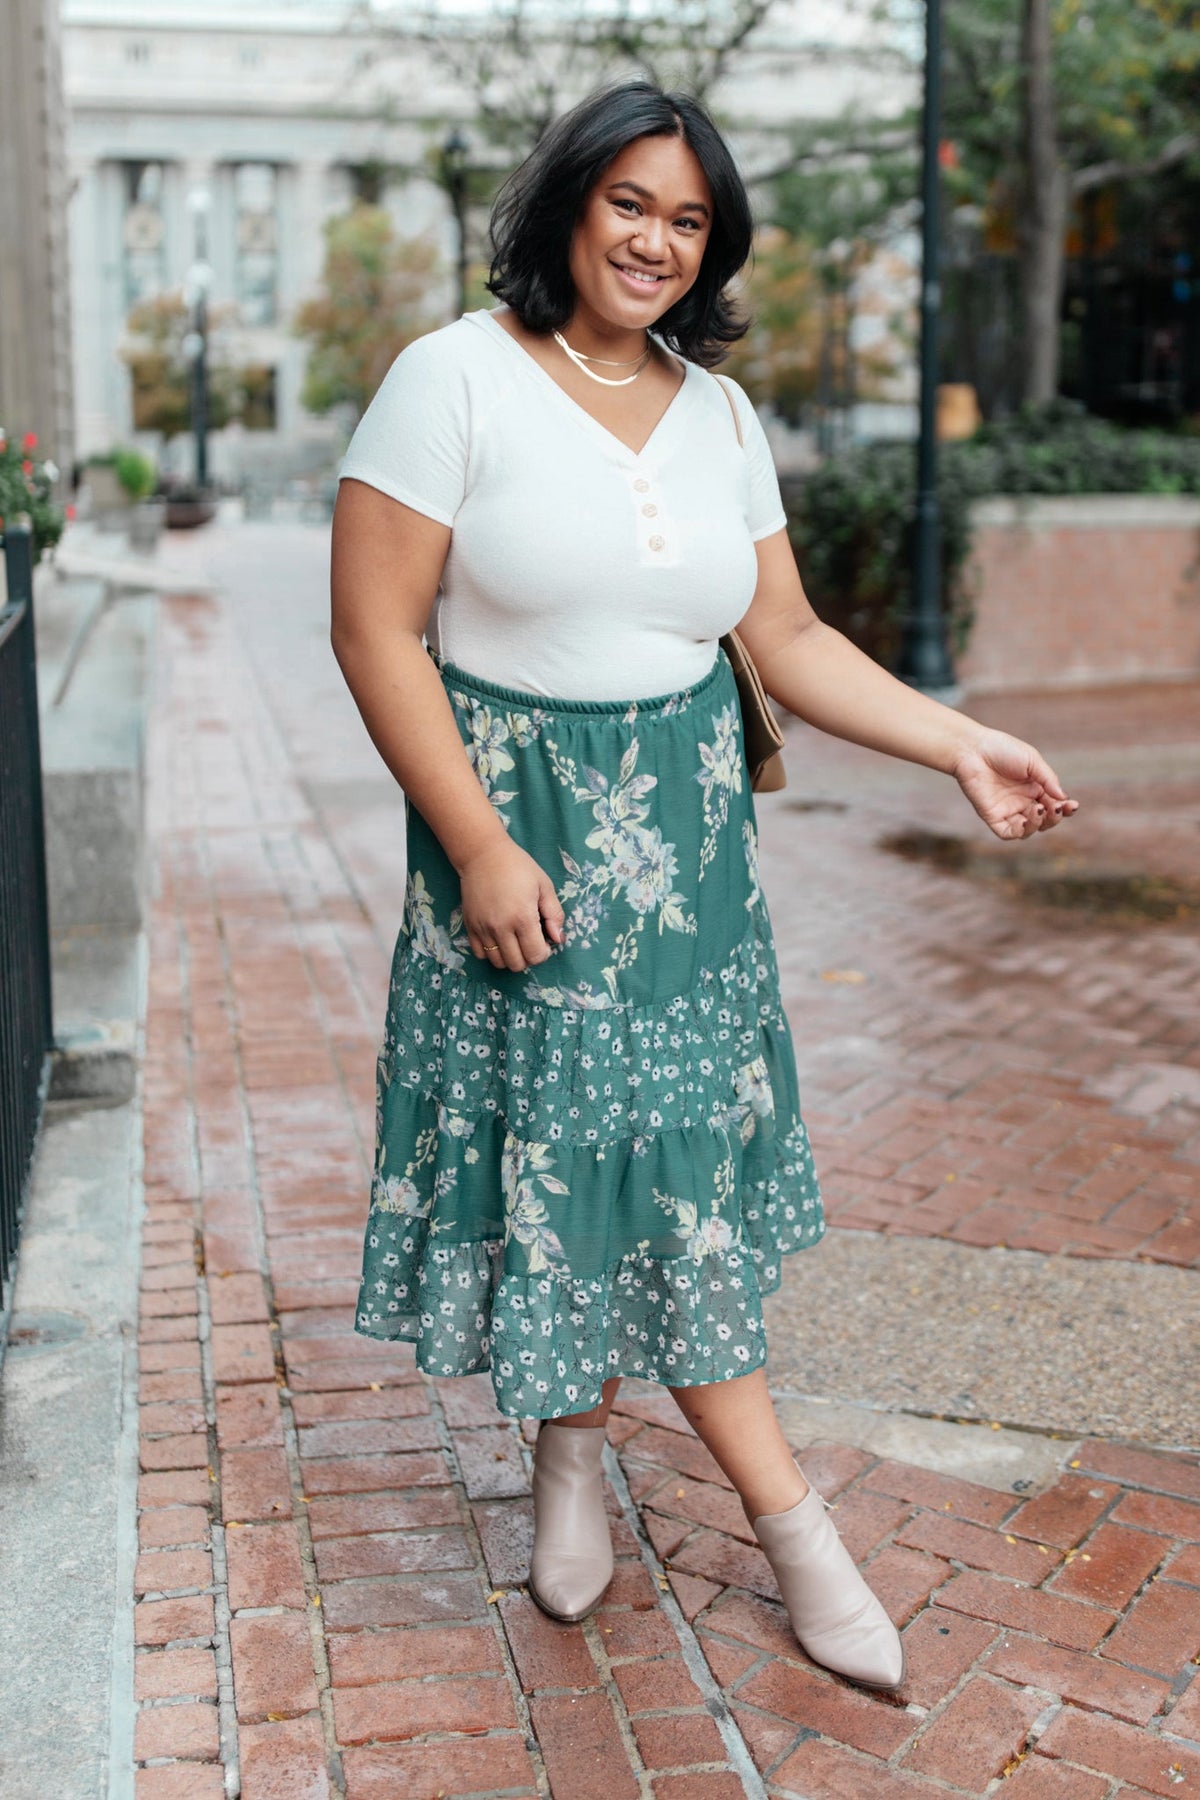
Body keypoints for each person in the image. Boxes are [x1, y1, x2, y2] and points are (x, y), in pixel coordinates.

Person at [330, 81, 1077, 1692]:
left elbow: (787, 642)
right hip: (521, 839)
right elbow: (376, 630)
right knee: (593, 1156)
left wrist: (958, 744)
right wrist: (476, 843)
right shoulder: (450, 378)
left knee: (645, 1167)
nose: (657, 242)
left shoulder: (721, 417)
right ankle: (793, 1527)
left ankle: (574, 1460)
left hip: (691, 870)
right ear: (567, 205)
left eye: (689, 221)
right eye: (630, 205)